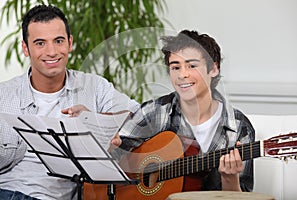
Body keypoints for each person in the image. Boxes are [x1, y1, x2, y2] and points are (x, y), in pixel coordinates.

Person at [0, 4, 139, 200]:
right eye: (40, 43)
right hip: (9, 192)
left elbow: (140, 116)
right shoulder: (3, 96)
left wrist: (97, 121)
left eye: (58, 41)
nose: (52, 52)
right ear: (25, 48)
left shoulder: (95, 87)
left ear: (70, 43)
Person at [111, 30, 255, 194]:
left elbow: (241, 195)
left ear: (213, 69)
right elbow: (113, 154)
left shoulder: (238, 127)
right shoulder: (155, 112)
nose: (182, 74)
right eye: (175, 67)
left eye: (192, 66)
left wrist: (230, 179)